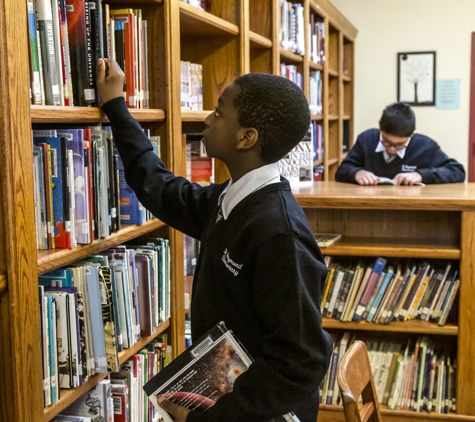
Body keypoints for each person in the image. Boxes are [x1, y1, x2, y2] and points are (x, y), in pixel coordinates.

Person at [96, 58, 332, 422]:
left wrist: (206, 420)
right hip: (231, 392)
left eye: (219, 113)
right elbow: (158, 187)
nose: (207, 119)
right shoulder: (230, 199)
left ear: (246, 137)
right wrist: (116, 107)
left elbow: (301, 361)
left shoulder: (279, 234)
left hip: (259, 410)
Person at [335, 102, 465, 185]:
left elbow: (458, 172)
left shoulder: (425, 146)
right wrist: (356, 173)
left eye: (400, 145)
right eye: (386, 141)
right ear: (379, 126)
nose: (392, 149)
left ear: (411, 134)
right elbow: (341, 171)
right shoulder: (366, 139)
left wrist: (421, 175)